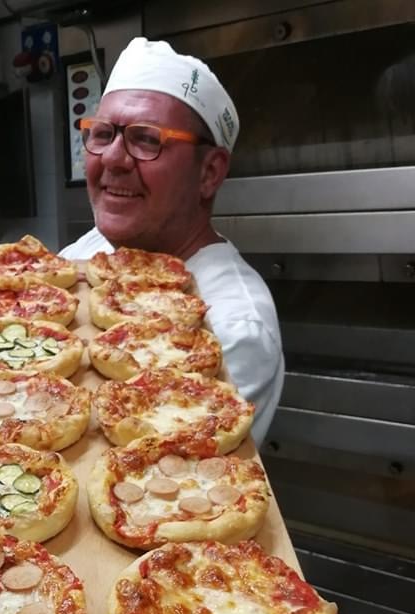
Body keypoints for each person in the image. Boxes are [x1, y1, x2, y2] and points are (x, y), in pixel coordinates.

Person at [60, 37, 284, 446]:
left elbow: (168, 468)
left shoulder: (234, 324)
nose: (112, 158)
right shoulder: (83, 256)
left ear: (210, 172)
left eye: (147, 139)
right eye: (103, 133)